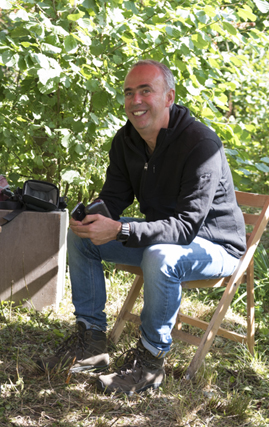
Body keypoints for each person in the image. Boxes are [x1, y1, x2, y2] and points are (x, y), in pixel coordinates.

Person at [38, 60, 246, 395]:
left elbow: (187, 227)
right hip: (162, 238)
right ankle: (91, 342)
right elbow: (113, 198)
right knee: (82, 240)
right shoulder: (126, 141)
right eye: (129, 92)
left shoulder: (201, 144)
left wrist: (120, 231)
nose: (135, 100)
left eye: (145, 90)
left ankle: (149, 366)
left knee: (161, 257)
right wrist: (92, 218)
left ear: (169, 97)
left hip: (214, 245)